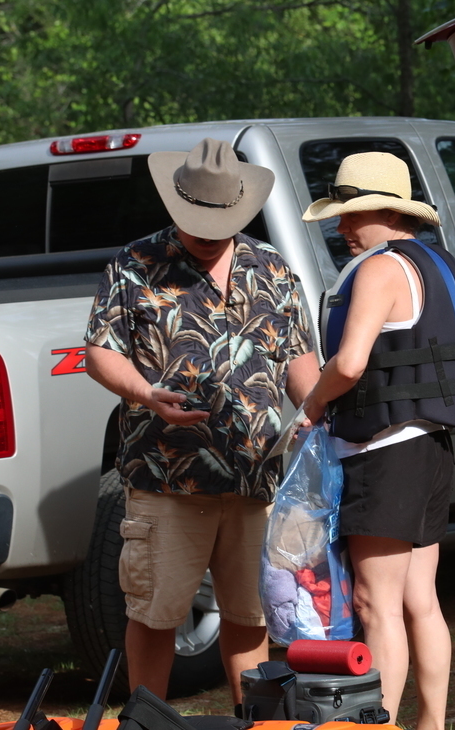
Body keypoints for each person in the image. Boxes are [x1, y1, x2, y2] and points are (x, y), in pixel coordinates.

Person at [83, 137, 319, 704]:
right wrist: (145, 393)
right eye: (195, 222)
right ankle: (148, 721)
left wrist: (314, 412)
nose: (206, 234)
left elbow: (298, 358)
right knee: (155, 613)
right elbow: (99, 351)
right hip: (166, 478)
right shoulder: (134, 264)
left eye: (218, 224)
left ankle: (251, 719)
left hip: (255, 479)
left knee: (250, 612)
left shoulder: (271, 267)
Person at [298, 152, 455, 730]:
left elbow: (349, 365)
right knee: (419, 599)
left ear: (387, 211)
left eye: (352, 215)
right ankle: (433, 724)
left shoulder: (381, 270)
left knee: (376, 604)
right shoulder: (436, 263)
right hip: (429, 447)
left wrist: (314, 400)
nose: (341, 226)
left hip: (383, 452)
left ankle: (378, 726)